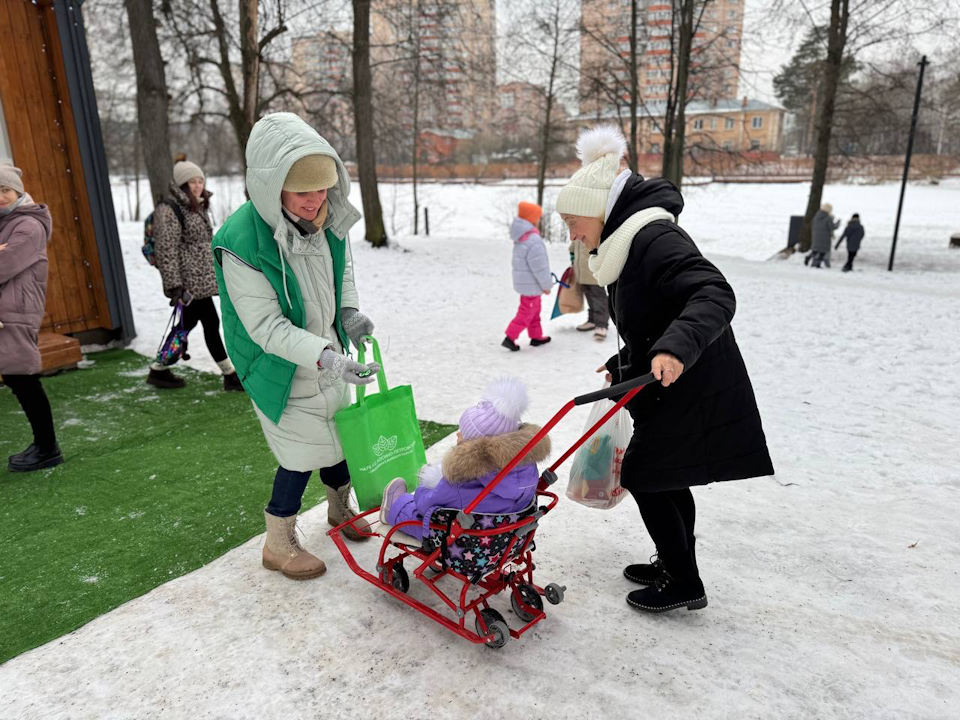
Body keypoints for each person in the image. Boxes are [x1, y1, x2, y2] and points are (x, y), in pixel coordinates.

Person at [556, 126, 774, 614]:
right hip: (669, 379)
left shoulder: (652, 236)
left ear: (597, 208)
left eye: (573, 221)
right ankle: (675, 563)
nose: (572, 234)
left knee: (648, 474)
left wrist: (674, 350)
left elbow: (713, 293)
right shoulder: (622, 243)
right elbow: (653, 317)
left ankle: (683, 581)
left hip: (692, 378)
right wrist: (623, 364)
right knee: (668, 477)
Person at [212, 113, 381, 581]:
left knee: (339, 434)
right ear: (272, 187)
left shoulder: (328, 216)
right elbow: (264, 325)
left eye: (323, 188)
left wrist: (347, 315)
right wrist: (327, 355)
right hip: (276, 364)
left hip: (325, 349)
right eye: (303, 192)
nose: (315, 201)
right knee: (299, 452)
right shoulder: (240, 240)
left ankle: (339, 509)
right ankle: (278, 542)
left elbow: (341, 270)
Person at [379, 378, 548, 540]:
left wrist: (424, 486)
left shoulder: (461, 481)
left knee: (416, 510)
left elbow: (426, 504)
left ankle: (393, 510)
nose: (458, 434)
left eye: (463, 432)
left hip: (462, 542)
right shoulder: (528, 469)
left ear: (475, 446)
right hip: (502, 537)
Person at [148, 155, 241, 391]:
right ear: (181, 185)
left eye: (200, 180)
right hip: (188, 285)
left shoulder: (194, 206)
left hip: (200, 282)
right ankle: (229, 375)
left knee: (186, 326)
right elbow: (166, 250)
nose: (198, 185)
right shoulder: (170, 210)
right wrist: (175, 286)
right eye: (192, 182)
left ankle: (158, 369)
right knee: (209, 323)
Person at [0, 164, 63, 472]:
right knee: (15, 376)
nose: (0, 196)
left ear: (18, 192)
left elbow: (4, 262)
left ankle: (48, 447)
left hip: (16, 309)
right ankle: (44, 444)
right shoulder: (6, 223)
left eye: (4, 190)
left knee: (22, 377)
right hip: (7, 307)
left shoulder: (28, 224)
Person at [502, 201, 552, 352]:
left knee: (534, 311)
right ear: (532, 218)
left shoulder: (522, 237)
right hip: (532, 284)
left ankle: (536, 336)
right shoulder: (533, 240)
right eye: (537, 217)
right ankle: (510, 337)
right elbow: (540, 267)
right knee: (527, 312)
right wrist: (546, 285)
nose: (538, 220)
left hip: (527, 283)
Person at [568, 236, 609, 341]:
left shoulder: (594, 233)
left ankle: (601, 324)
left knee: (599, 299)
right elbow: (572, 250)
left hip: (594, 275)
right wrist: (573, 263)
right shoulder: (577, 235)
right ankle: (592, 320)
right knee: (589, 298)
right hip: (581, 274)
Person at [806, 203, 840, 269]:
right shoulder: (828, 218)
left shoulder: (816, 216)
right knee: (823, 252)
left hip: (816, 236)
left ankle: (814, 262)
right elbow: (832, 227)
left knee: (817, 250)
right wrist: (838, 223)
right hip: (825, 237)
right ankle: (818, 264)